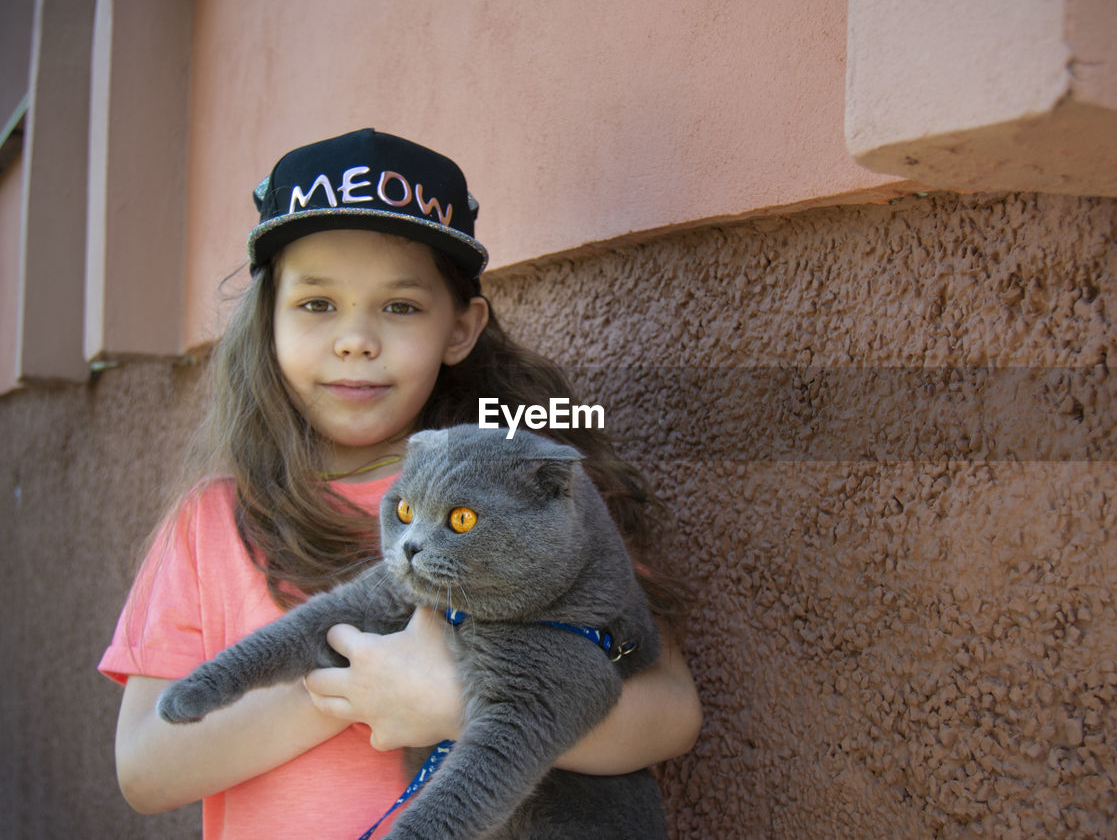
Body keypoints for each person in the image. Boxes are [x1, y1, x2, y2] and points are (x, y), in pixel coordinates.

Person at [99, 128, 701, 838]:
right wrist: (353, 683)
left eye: (400, 306)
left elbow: (671, 710)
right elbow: (145, 766)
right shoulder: (214, 521)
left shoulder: (521, 486)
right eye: (317, 303)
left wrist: (459, 702)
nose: (356, 338)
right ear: (267, 322)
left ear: (460, 327)